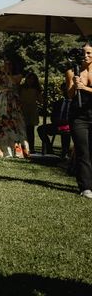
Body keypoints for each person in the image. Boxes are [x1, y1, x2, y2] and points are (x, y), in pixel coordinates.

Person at [66, 42, 92, 199]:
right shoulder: (72, 71)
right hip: (78, 117)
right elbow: (69, 95)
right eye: (84, 53)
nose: (86, 56)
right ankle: (85, 187)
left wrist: (85, 88)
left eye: (89, 53)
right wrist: (75, 86)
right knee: (83, 151)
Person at [0, 58, 28, 158]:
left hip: (13, 101)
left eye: (9, 64)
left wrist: (8, 74)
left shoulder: (18, 75)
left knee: (15, 124)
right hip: (3, 100)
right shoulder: (2, 76)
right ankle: (2, 150)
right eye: (5, 64)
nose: (7, 66)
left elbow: (15, 82)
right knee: (2, 123)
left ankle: (18, 150)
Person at [19, 71, 42, 153]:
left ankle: (31, 148)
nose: (31, 81)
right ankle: (22, 147)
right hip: (22, 110)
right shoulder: (21, 88)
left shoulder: (36, 89)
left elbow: (40, 100)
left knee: (30, 130)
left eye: (33, 79)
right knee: (22, 129)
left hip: (32, 110)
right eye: (29, 79)